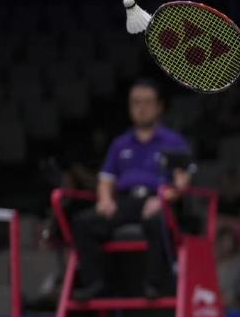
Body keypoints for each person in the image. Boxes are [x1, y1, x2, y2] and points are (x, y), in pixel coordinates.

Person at [71, 79, 192, 300]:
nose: (141, 108)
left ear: (159, 107)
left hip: (158, 201)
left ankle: (154, 285)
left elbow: (182, 182)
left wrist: (163, 199)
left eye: (147, 102)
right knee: (83, 223)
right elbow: (106, 179)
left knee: (156, 222)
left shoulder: (174, 141)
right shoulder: (120, 144)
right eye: (135, 102)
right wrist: (105, 200)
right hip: (126, 202)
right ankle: (96, 284)